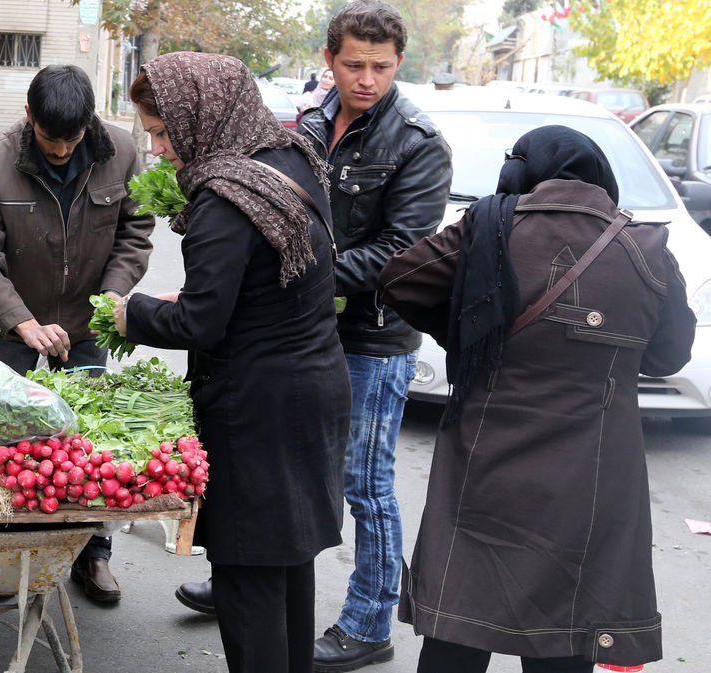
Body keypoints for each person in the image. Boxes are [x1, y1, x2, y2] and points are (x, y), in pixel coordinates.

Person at [379, 126, 695, 673]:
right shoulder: (646, 251)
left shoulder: (487, 230)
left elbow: (399, 279)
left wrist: (475, 330)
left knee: (459, 627)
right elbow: (669, 356)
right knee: (565, 636)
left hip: (484, 463)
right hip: (590, 478)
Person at [118, 51, 349, 673]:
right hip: (314, 386)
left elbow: (201, 323)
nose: (162, 150)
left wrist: (130, 314)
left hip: (258, 411)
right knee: (290, 568)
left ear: (201, 115)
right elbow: (267, 280)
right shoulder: (290, 158)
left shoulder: (225, 199)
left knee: (248, 582)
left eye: (165, 133)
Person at [0, 64, 155, 603]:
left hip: (88, 322)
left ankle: (91, 556)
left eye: (72, 140)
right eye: (50, 140)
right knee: (4, 438)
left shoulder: (120, 151)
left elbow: (136, 233)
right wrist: (22, 321)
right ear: (29, 118)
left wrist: (110, 297)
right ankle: (6, 551)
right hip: (12, 323)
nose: (63, 151)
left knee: (88, 440)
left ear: (88, 124)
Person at [295, 2, 452, 670]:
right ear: (330, 59)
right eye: (353, 64)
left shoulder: (418, 143)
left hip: (373, 335)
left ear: (398, 63)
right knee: (287, 463)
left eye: (381, 67)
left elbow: (400, 253)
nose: (366, 78)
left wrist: (301, 270)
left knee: (365, 483)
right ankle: (257, 581)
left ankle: (367, 623)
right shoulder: (309, 121)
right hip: (300, 324)